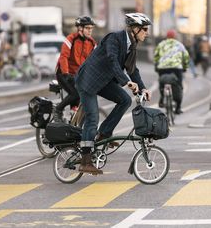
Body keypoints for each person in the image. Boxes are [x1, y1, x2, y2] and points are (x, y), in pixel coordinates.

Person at [75, 12, 152, 175]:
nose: (147, 32)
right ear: (135, 29)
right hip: (88, 81)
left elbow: (133, 69)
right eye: (144, 29)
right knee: (92, 118)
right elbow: (112, 60)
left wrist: (143, 88)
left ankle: (104, 134)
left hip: (103, 81)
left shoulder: (132, 45)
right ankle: (85, 161)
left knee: (125, 100)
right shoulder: (114, 38)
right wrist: (126, 81)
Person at [53, 16, 97, 121]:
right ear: (80, 28)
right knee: (75, 93)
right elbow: (64, 56)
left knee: (81, 94)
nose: (90, 31)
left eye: (91, 28)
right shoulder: (71, 39)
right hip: (63, 73)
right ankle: (58, 109)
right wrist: (66, 73)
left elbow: (95, 61)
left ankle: (73, 114)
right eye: (87, 28)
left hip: (78, 75)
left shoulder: (92, 43)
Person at [154, 29, 190, 115]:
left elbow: (156, 56)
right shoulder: (179, 45)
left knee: (162, 82)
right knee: (179, 86)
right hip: (176, 68)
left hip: (162, 68)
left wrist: (157, 65)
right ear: (175, 37)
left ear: (166, 36)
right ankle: (178, 108)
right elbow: (185, 56)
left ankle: (162, 98)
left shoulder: (161, 44)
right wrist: (185, 67)